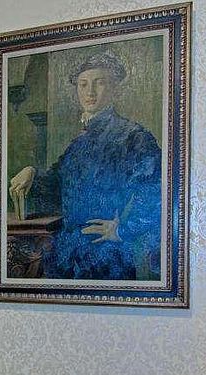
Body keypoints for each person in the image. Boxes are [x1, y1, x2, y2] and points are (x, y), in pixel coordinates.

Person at [9, 51, 161, 280]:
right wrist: (32, 172)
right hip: (65, 253)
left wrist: (122, 229)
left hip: (106, 257)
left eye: (99, 83)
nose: (90, 92)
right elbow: (56, 187)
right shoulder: (79, 142)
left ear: (115, 89)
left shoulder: (133, 136)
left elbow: (157, 191)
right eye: (83, 85)